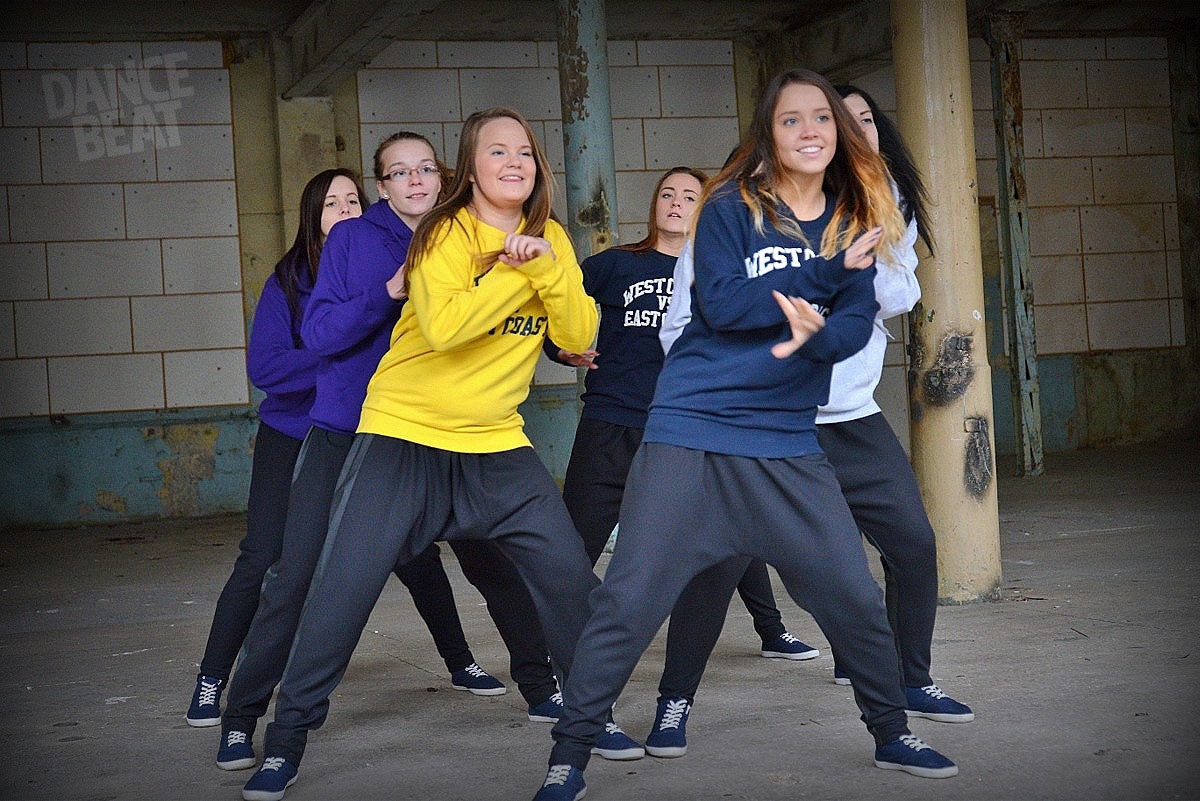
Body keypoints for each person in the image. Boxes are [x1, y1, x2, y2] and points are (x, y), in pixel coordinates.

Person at [533, 68, 958, 801]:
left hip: (785, 442)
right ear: (770, 133)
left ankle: (892, 732)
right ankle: (568, 756)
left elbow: (856, 324)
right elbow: (724, 304)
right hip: (692, 431)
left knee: (853, 596)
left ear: (842, 133)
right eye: (791, 119)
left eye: (821, 118)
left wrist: (817, 336)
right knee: (629, 601)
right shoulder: (731, 206)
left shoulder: (854, 220)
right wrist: (822, 279)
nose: (808, 131)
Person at [238, 107, 602, 801]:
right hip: (403, 434)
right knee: (340, 592)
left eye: (524, 151)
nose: (514, 163)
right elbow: (443, 326)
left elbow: (580, 330)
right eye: (497, 152)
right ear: (471, 167)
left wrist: (547, 267)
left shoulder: (550, 235)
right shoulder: (441, 231)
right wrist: (518, 274)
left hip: (495, 440)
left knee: (570, 582)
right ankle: (284, 742)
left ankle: (585, 726)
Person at [648, 86, 973, 759]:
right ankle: (673, 702)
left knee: (912, 545)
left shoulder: (869, 215)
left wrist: (874, 224)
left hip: (848, 418)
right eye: (809, 121)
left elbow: (895, 295)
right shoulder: (730, 215)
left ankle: (909, 682)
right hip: (755, 426)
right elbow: (682, 324)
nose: (839, 132)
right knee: (715, 566)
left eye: (858, 123)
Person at [185, 168, 363, 728]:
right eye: (331, 204)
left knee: (411, 556)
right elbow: (266, 368)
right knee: (263, 558)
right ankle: (212, 679)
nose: (344, 211)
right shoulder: (288, 282)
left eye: (353, 201)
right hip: (290, 435)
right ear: (313, 216)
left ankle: (461, 662)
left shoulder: (385, 275)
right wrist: (338, 354)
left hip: (360, 437)